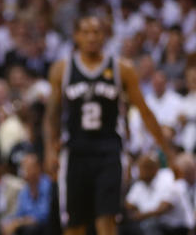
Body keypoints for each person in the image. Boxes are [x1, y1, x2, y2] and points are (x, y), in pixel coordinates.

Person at [44, 15, 174, 235]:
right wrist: (49, 149)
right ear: (76, 36)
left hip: (109, 152)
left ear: (105, 36)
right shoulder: (62, 69)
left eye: (96, 32)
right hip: (75, 152)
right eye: (86, 32)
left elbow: (145, 111)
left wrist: (167, 151)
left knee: (107, 220)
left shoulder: (122, 68)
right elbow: (52, 115)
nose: (92, 37)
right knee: (74, 225)